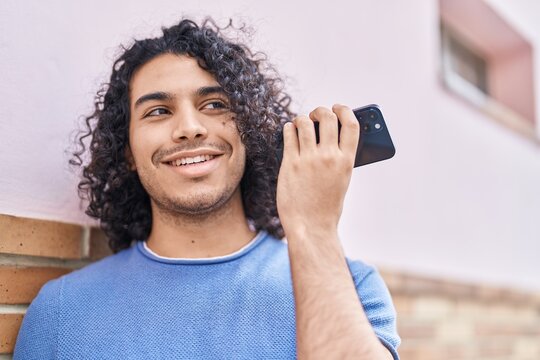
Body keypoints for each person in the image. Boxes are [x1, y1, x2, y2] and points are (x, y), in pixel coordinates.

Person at [14, 18, 400, 359]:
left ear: (248, 130)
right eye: (158, 111)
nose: (190, 127)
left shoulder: (351, 287)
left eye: (215, 104)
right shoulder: (61, 313)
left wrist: (313, 226)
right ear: (127, 149)